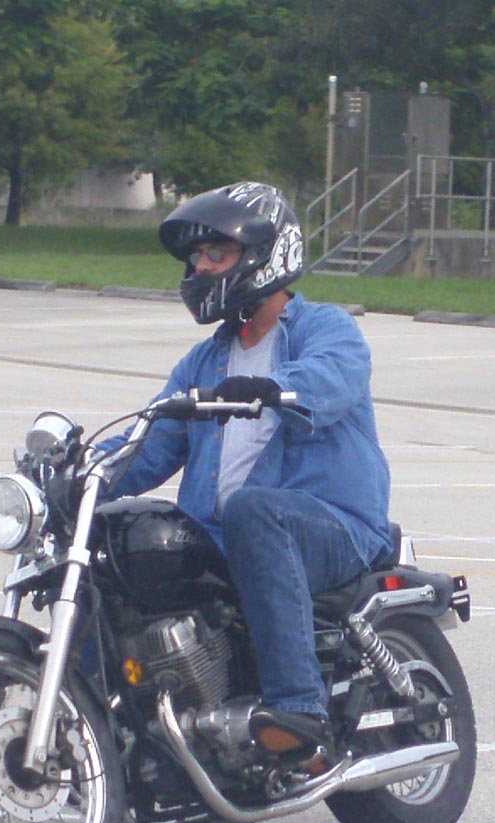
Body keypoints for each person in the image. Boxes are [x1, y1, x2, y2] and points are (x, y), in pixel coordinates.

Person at [104, 181, 392, 764]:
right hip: (225, 535)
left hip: (332, 525)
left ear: (265, 255)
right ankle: (106, 715)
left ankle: (299, 709)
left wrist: (273, 388)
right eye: (196, 257)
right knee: (114, 539)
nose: (201, 268)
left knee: (252, 510)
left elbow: (333, 377)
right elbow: (152, 443)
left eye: (217, 253)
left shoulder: (323, 328)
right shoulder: (205, 360)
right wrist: (80, 474)